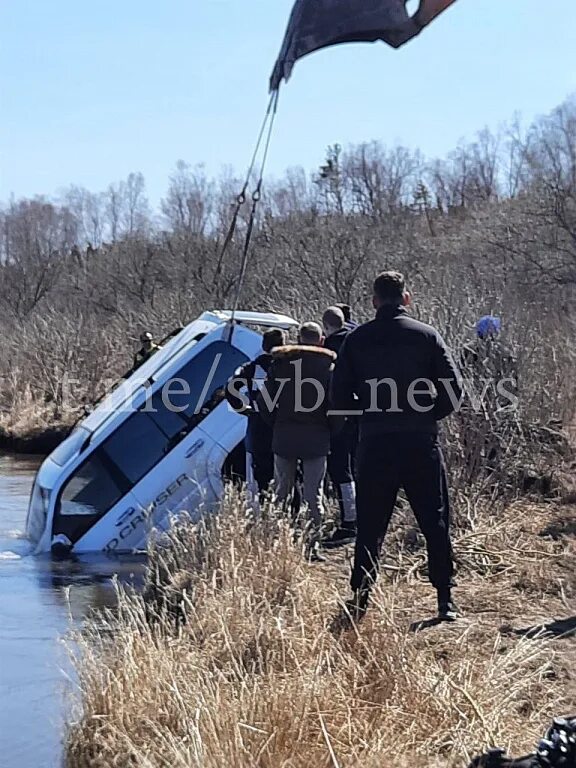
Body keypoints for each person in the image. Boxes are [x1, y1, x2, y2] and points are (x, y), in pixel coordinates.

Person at [331, 271, 463, 621]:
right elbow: (454, 390)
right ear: (407, 298)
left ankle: (360, 597)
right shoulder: (426, 336)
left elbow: (339, 397)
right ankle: (445, 600)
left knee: (371, 524)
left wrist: (367, 417)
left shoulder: (356, 340)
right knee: (434, 519)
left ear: (375, 301)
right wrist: (427, 416)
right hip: (419, 440)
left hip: (375, 443)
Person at [261, 321, 338, 560]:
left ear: (298, 338)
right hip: (317, 438)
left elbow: (265, 402)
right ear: (321, 340)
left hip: (284, 437)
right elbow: (338, 407)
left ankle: (277, 544)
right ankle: (311, 546)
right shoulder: (329, 369)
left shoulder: (281, 364)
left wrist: (276, 423)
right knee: (314, 495)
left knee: (281, 492)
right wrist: (330, 430)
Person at [225, 328, 286, 508]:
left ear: (263, 345)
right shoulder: (290, 365)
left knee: (264, 480)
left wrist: (244, 409)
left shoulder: (252, 368)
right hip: (286, 427)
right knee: (290, 475)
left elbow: (230, 389)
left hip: (259, 428)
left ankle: (270, 516)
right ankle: (294, 516)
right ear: (283, 344)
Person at [322, 306, 357, 546]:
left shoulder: (328, 351)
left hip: (338, 416)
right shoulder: (358, 342)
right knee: (357, 467)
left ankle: (349, 522)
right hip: (363, 413)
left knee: (340, 470)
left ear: (326, 327)